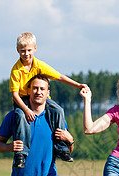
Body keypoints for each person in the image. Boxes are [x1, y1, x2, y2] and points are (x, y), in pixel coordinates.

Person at [10, 32, 86, 168]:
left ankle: (61, 148)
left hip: (39, 96)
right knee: (20, 117)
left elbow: (59, 77)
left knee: (59, 110)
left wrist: (78, 85)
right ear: (17, 50)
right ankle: (21, 154)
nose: (26, 54)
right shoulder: (16, 70)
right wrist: (26, 110)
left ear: (35, 49)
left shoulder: (39, 65)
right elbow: (15, 94)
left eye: (29, 50)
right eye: (22, 51)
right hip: (22, 99)